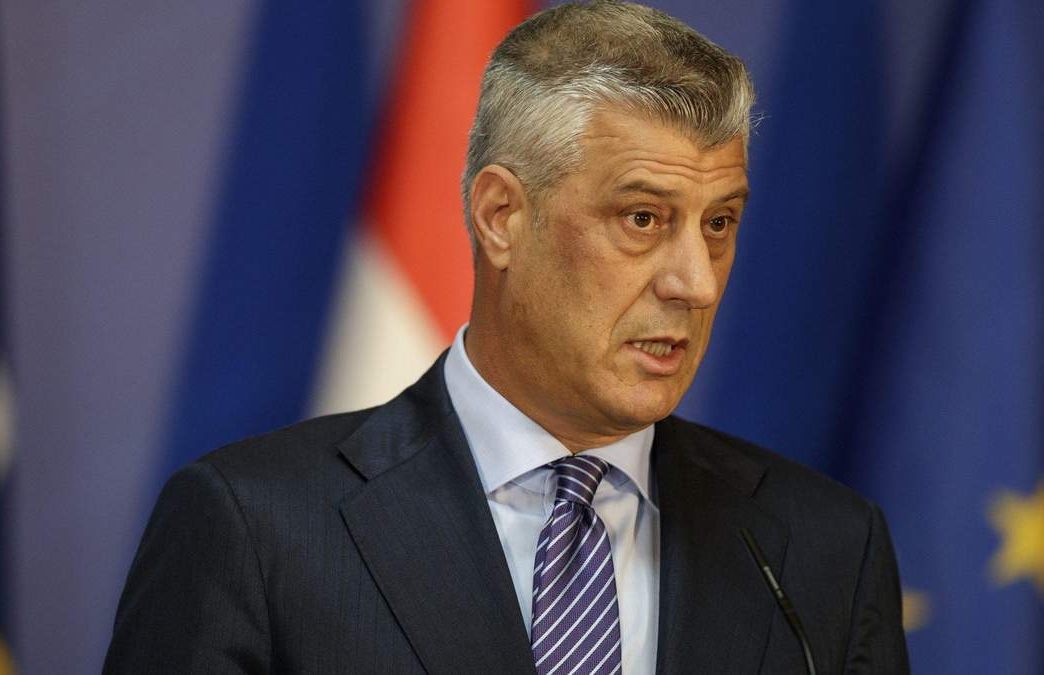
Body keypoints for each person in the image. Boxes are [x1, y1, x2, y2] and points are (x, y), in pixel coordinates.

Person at [104, 2, 910, 673]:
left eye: (719, 223)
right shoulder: (255, 530)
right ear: (501, 217)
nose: (696, 282)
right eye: (642, 218)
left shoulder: (822, 551)